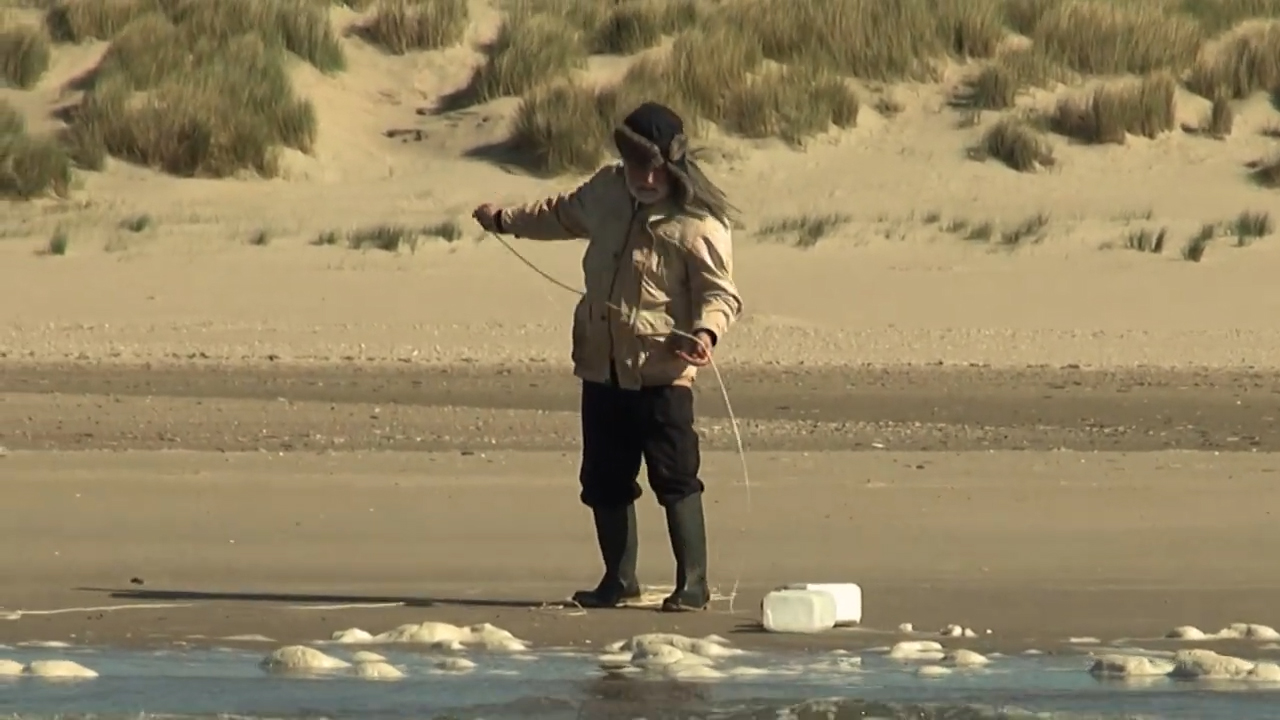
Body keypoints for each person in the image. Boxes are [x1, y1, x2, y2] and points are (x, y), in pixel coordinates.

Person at [472, 101, 743, 612]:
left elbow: (721, 294)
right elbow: (558, 215)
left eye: (655, 167)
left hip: (663, 375)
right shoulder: (606, 191)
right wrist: (504, 220)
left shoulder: (700, 222)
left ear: (674, 163)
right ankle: (618, 581)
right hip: (601, 366)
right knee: (603, 481)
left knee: (675, 479)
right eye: (636, 165)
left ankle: (694, 584)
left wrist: (705, 334)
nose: (646, 178)